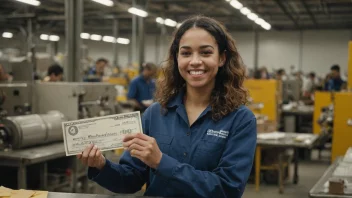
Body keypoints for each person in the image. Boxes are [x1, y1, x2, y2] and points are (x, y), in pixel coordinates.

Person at [77, 16, 257, 198]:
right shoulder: (155, 114)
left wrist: (161, 162)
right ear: (176, 58)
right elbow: (130, 180)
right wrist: (101, 164)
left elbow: (228, 189)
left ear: (221, 58)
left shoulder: (240, 120)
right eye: (186, 53)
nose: (195, 61)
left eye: (205, 52)